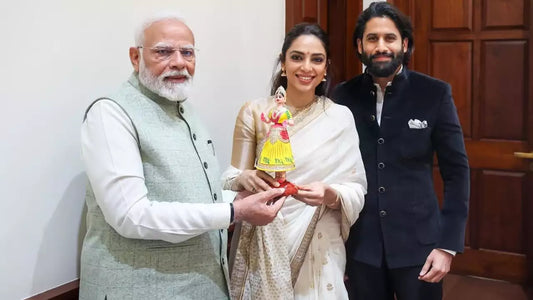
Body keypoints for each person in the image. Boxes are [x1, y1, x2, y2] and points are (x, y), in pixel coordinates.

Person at [79, 13, 287, 300]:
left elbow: (191, 196)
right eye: (163, 51)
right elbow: (131, 215)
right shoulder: (111, 114)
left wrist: (237, 197)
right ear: (135, 57)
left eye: (187, 52)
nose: (178, 61)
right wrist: (234, 212)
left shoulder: (186, 110)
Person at [333, 2, 470, 299]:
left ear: (404, 44)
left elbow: (457, 173)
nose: (381, 46)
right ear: (360, 45)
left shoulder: (434, 93)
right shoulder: (342, 96)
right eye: (372, 38)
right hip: (361, 248)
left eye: (390, 38)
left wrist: (447, 245)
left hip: (420, 247)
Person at [221, 23, 367, 299]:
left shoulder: (339, 117)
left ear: (326, 69)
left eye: (317, 59)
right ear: (283, 63)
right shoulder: (254, 111)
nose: (306, 67)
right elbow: (230, 177)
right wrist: (243, 178)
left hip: (319, 240)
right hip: (262, 234)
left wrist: (331, 194)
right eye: (297, 57)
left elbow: (356, 187)